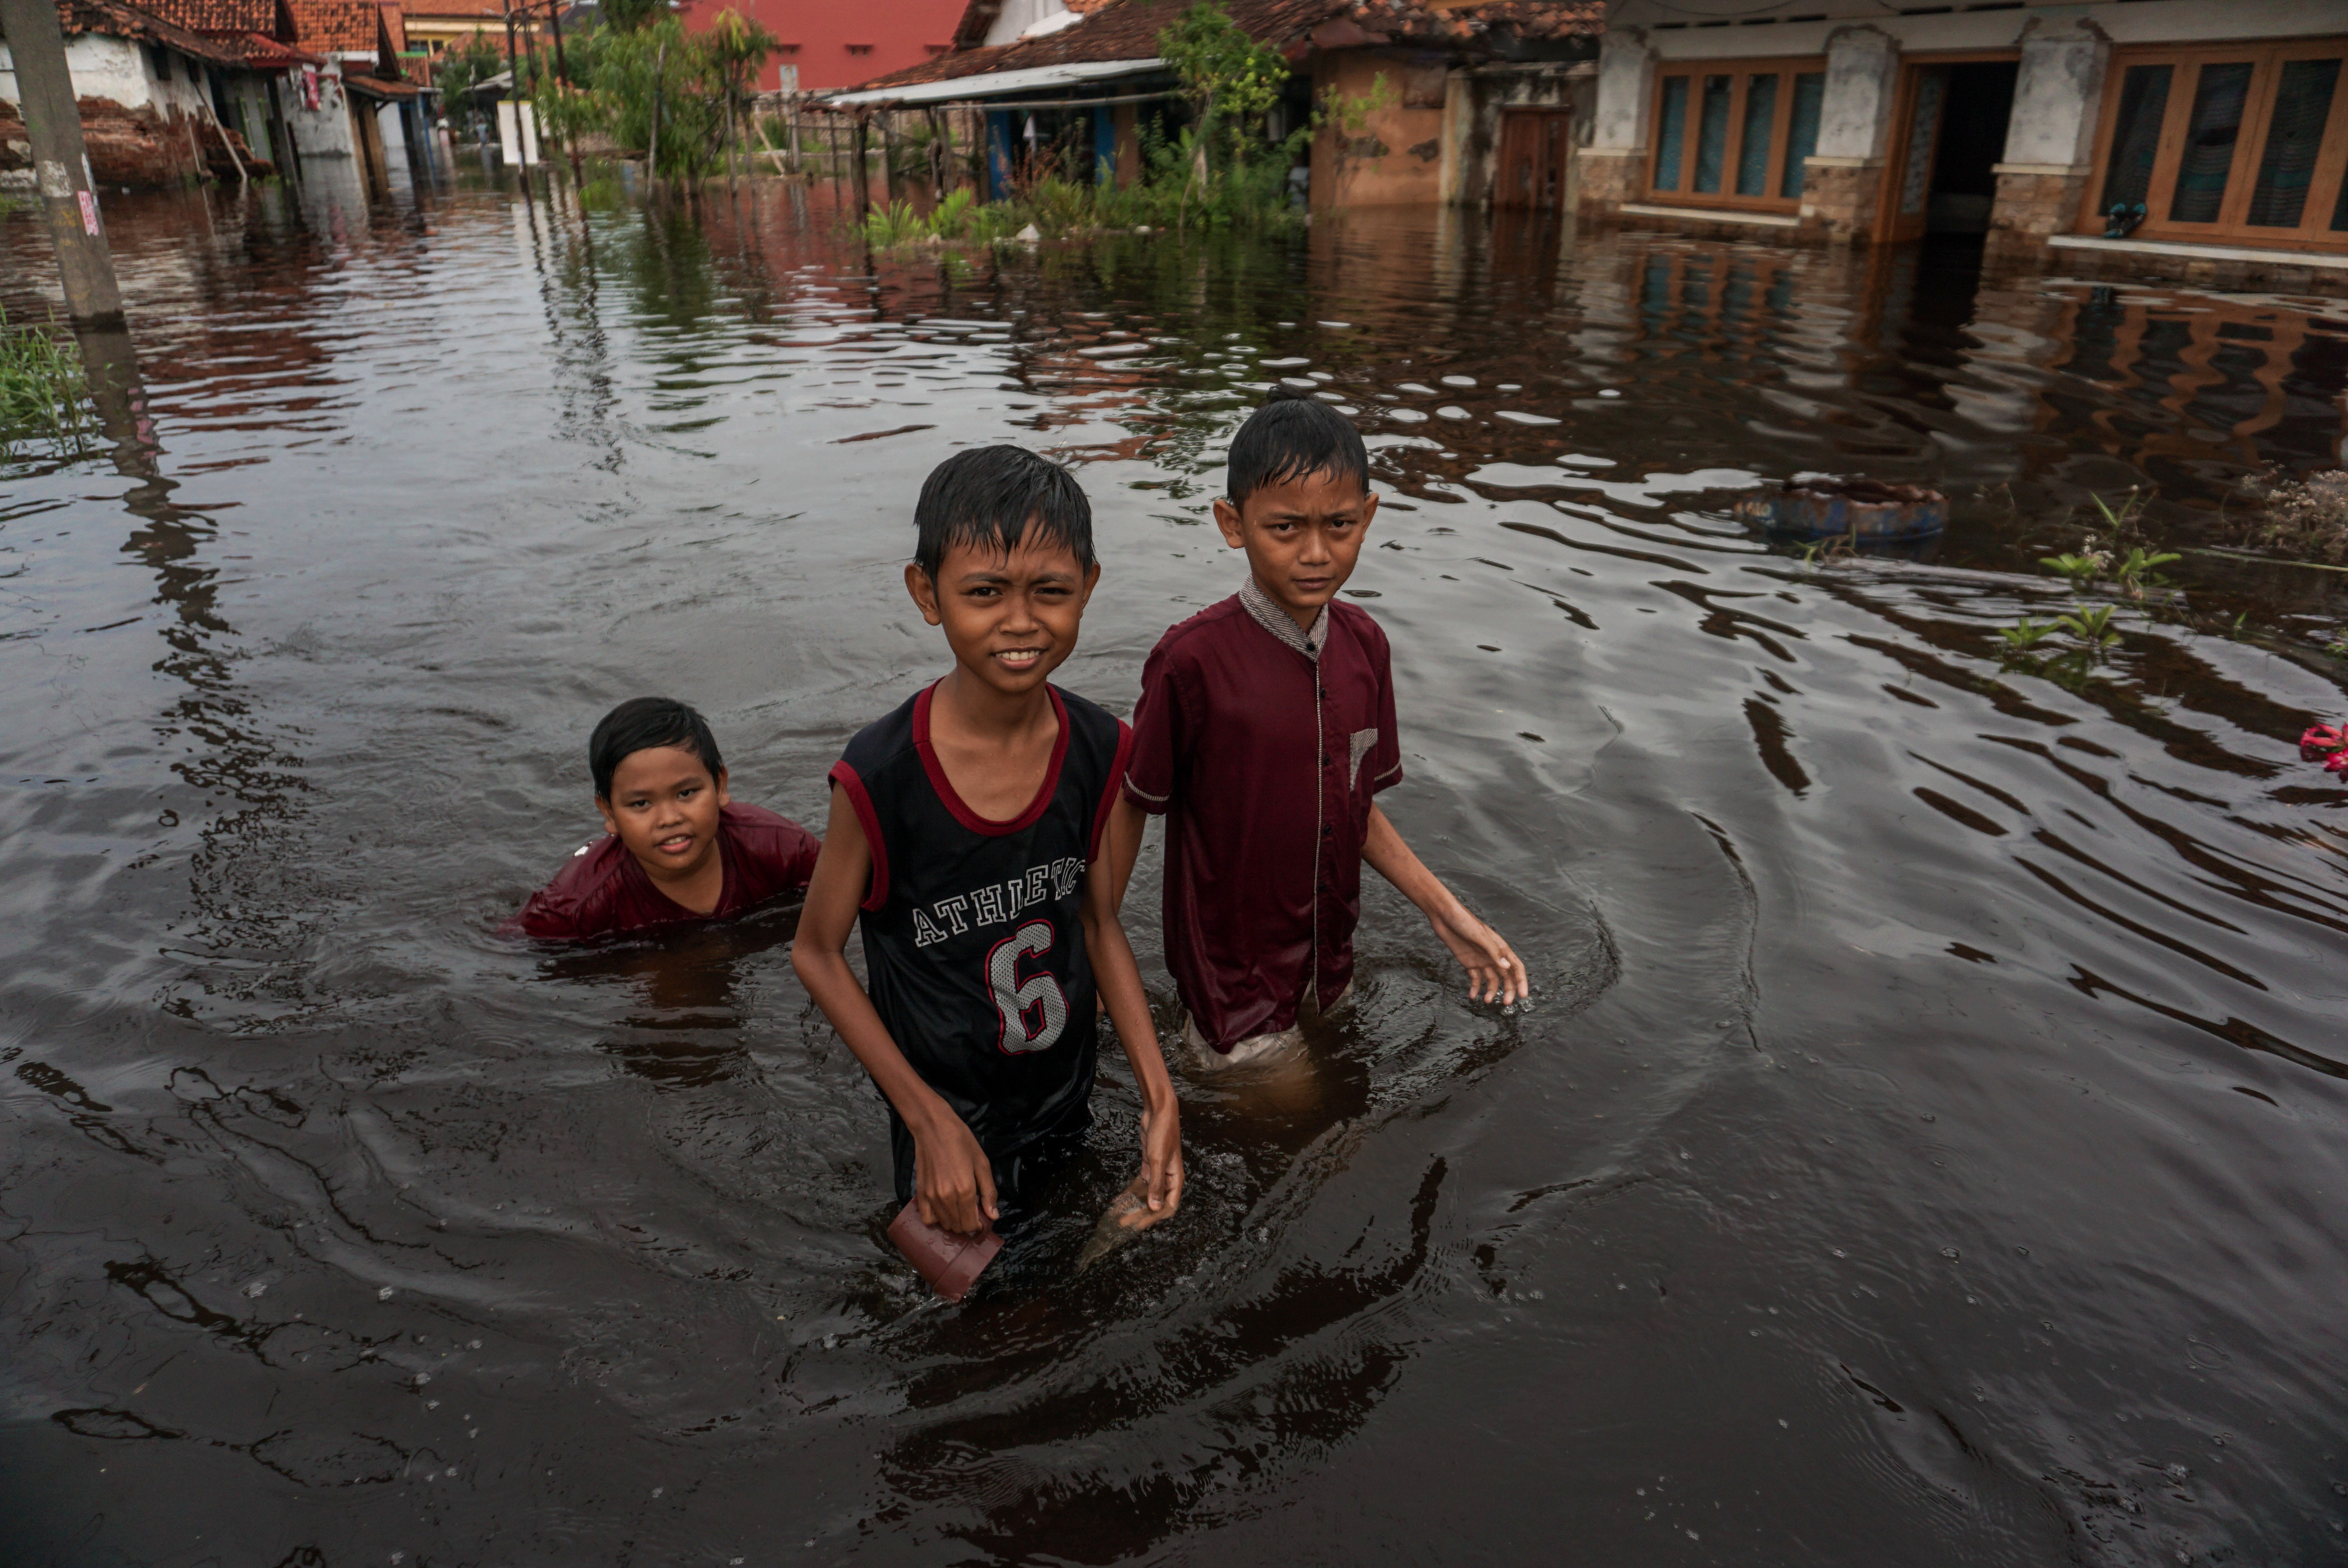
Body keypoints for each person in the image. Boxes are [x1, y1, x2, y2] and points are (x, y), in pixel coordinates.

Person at [793, 446, 1183, 1238]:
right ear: (926, 593)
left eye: (1050, 592)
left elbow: (1099, 921)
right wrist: (926, 1119)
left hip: (1063, 1086)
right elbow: (817, 953)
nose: (1019, 621)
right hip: (949, 1112)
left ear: (1089, 589)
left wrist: (1158, 1091)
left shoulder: (1103, 747)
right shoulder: (881, 776)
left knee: (1113, 1260)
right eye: (984, 593)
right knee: (983, 1326)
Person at [1111, 391, 1528, 1069]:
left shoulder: (1364, 646)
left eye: (1338, 525)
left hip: (1328, 967)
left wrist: (1446, 912)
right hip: (1232, 989)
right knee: (1316, 1136)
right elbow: (1132, 805)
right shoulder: (1191, 661)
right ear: (1232, 523)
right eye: (1284, 529)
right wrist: (1098, 954)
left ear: (1368, 516)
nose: (1315, 553)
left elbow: (1350, 808)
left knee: (1340, 1102)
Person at [512, 697, 818, 942]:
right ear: (609, 814)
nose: (669, 818)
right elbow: (519, 954)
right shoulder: (574, 910)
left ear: (720, 786)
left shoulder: (783, 849)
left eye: (686, 793)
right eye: (641, 803)